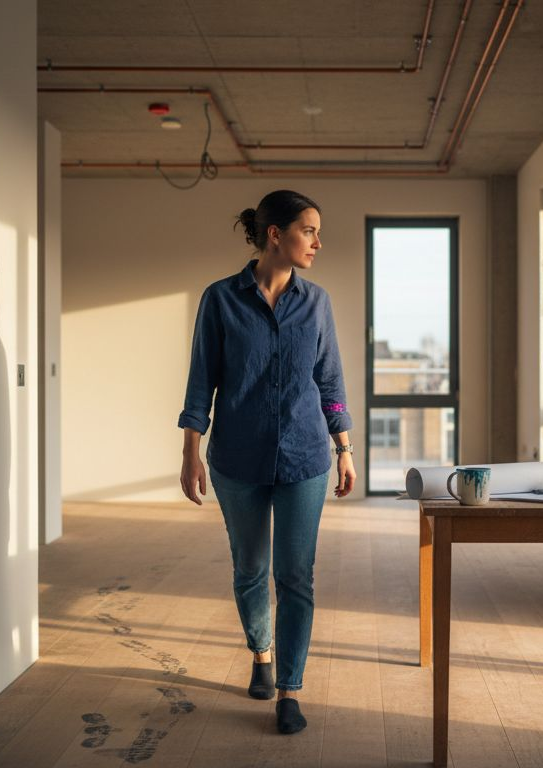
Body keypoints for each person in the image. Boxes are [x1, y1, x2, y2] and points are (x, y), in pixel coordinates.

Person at [177, 189, 356, 735]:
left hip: (305, 458)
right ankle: (261, 652)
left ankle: (290, 689)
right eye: (309, 230)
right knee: (251, 569)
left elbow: (330, 379)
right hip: (237, 457)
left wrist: (343, 447)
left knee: (295, 575)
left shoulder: (317, 302)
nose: (318, 242)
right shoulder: (220, 299)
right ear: (274, 234)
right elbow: (200, 378)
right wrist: (191, 452)